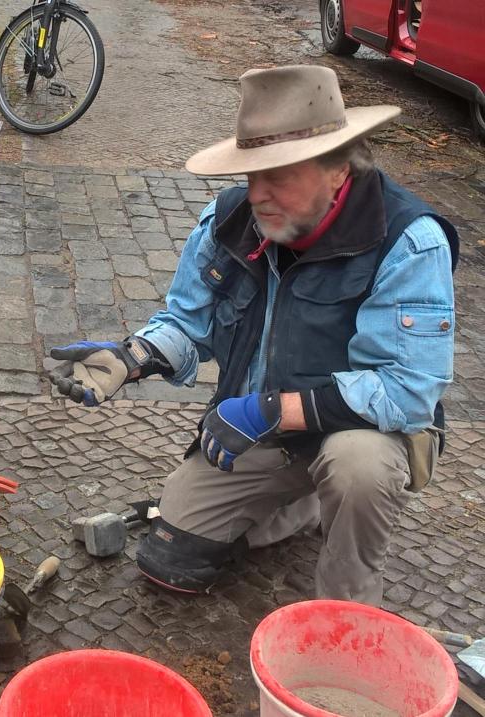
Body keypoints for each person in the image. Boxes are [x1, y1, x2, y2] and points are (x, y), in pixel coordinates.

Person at [48, 65, 458, 606]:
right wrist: (133, 357)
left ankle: (348, 610)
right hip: (264, 433)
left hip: (361, 434)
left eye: (279, 175)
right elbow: (188, 326)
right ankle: (299, 502)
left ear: (339, 168)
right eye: (250, 175)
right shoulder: (226, 221)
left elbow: (407, 391)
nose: (258, 194)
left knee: (357, 466)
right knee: (172, 558)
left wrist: (274, 409)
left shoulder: (407, 241)